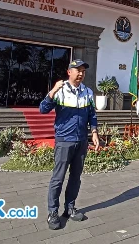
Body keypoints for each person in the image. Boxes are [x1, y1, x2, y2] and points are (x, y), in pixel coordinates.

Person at [41, 60, 100, 230]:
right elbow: (43, 109)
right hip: (64, 140)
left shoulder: (87, 92)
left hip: (81, 141)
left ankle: (69, 208)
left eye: (83, 71)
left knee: (75, 177)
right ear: (69, 72)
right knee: (58, 178)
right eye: (78, 70)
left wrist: (94, 132)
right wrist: (52, 90)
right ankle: (53, 212)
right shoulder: (60, 90)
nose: (81, 73)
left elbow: (92, 114)